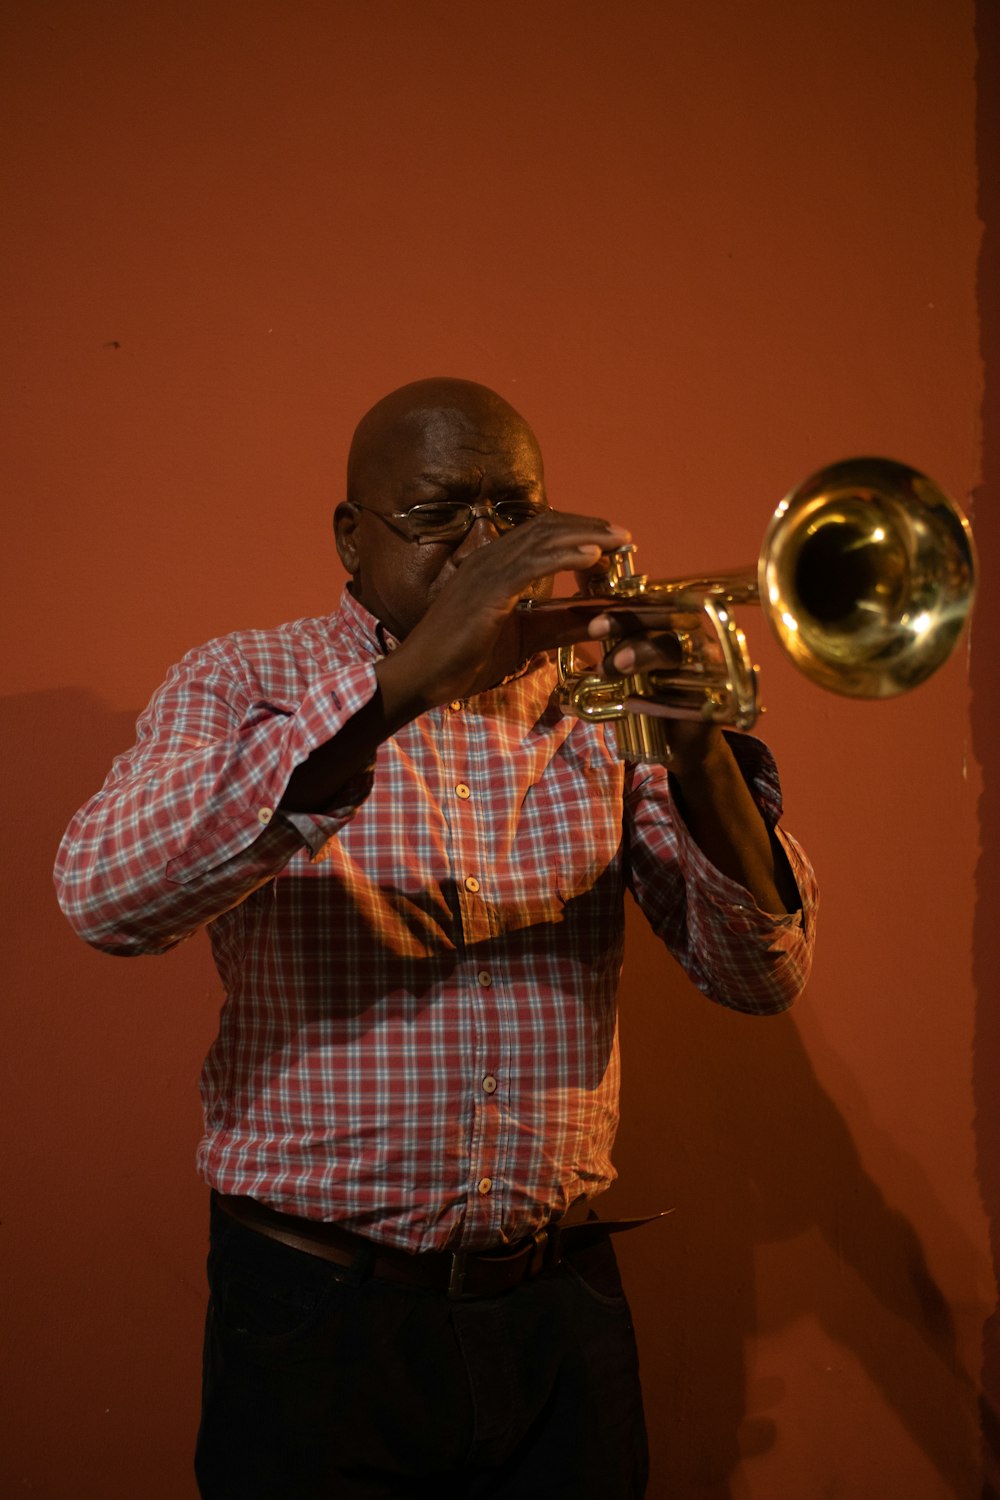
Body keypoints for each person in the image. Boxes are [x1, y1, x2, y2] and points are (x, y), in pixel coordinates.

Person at [54, 377, 817, 1499]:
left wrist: (693, 743)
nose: (485, 549)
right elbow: (104, 899)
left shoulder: (599, 711)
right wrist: (406, 683)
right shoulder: (246, 681)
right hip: (314, 1315)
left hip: (557, 1308)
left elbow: (761, 974)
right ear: (349, 539)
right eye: (436, 517)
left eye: (514, 515)